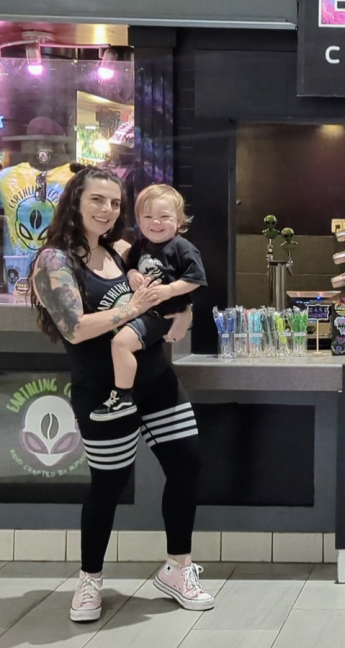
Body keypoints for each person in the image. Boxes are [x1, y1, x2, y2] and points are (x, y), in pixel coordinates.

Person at [29, 164, 214, 622]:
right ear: (75, 200)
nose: (107, 210)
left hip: (156, 382)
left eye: (114, 202)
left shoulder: (122, 249)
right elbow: (74, 329)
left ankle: (178, 568)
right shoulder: (55, 260)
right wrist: (130, 309)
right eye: (97, 200)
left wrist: (184, 314)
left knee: (187, 465)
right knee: (109, 486)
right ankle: (90, 579)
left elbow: (169, 291)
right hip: (103, 392)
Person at [91, 185, 206, 421]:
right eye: (148, 217)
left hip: (161, 314)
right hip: (145, 313)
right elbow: (130, 264)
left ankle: (122, 396)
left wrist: (169, 291)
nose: (156, 223)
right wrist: (132, 274)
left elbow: (195, 279)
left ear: (179, 221)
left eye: (165, 217)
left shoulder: (182, 247)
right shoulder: (140, 246)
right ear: (139, 221)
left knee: (120, 344)